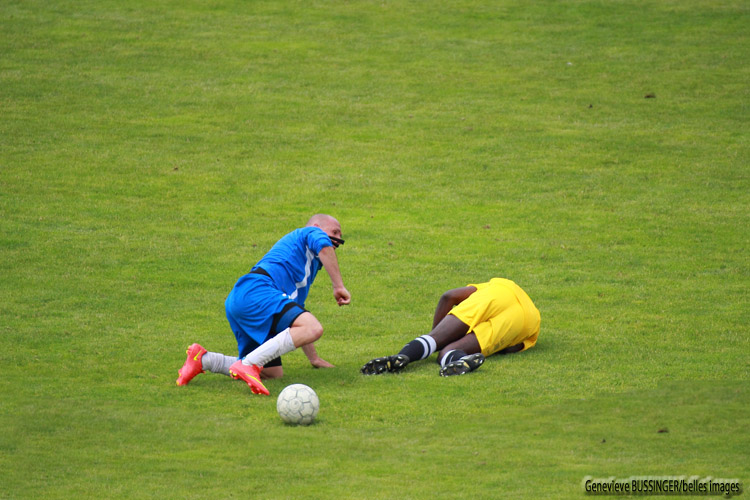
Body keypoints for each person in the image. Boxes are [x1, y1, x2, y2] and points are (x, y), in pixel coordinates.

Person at [176, 214, 351, 395]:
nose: (338, 239)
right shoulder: (309, 233)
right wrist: (338, 286)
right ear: (316, 226)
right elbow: (323, 244)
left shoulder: (305, 265)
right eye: (335, 232)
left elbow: (297, 316)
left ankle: (204, 360)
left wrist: (314, 359)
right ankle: (248, 364)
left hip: (242, 298)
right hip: (257, 292)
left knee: (271, 373)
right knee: (314, 327)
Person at [361, 278, 540, 377]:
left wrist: (437, 334)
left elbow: (449, 297)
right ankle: (458, 359)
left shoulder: (495, 285)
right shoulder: (535, 322)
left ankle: (404, 356)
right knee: (451, 349)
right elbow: (511, 348)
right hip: (527, 321)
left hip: (498, 294)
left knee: (435, 340)